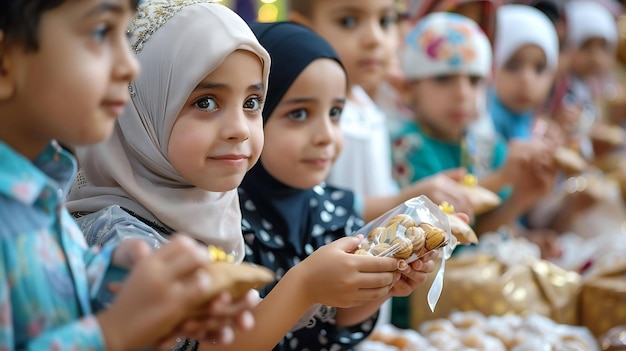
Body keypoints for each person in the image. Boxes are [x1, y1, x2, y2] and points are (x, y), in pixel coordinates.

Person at [66, 2, 401, 350]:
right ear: (140, 112)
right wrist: (302, 287)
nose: (239, 129)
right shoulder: (121, 243)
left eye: (252, 103)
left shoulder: (215, 210)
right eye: (206, 102)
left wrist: (374, 285)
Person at [0, 0, 251, 349]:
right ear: (5, 61)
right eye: (101, 32)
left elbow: (48, 287)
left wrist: (112, 275)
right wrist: (114, 333)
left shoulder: (41, 187)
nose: (131, 66)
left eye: (128, 33)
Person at [241, 21, 437, 350]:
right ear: (252, 113)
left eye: (335, 113)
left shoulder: (333, 211)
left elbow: (333, 322)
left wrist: (378, 287)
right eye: (299, 114)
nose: (326, 136)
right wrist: (303, 287)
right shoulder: (228, 221)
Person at [289, 0, 476, 223]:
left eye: (385, 21)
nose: (374, 38)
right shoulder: (302, 114)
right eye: (348, 21)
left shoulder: (366, 104)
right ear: (304, 28)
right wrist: (404, 201)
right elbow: (311, 204)